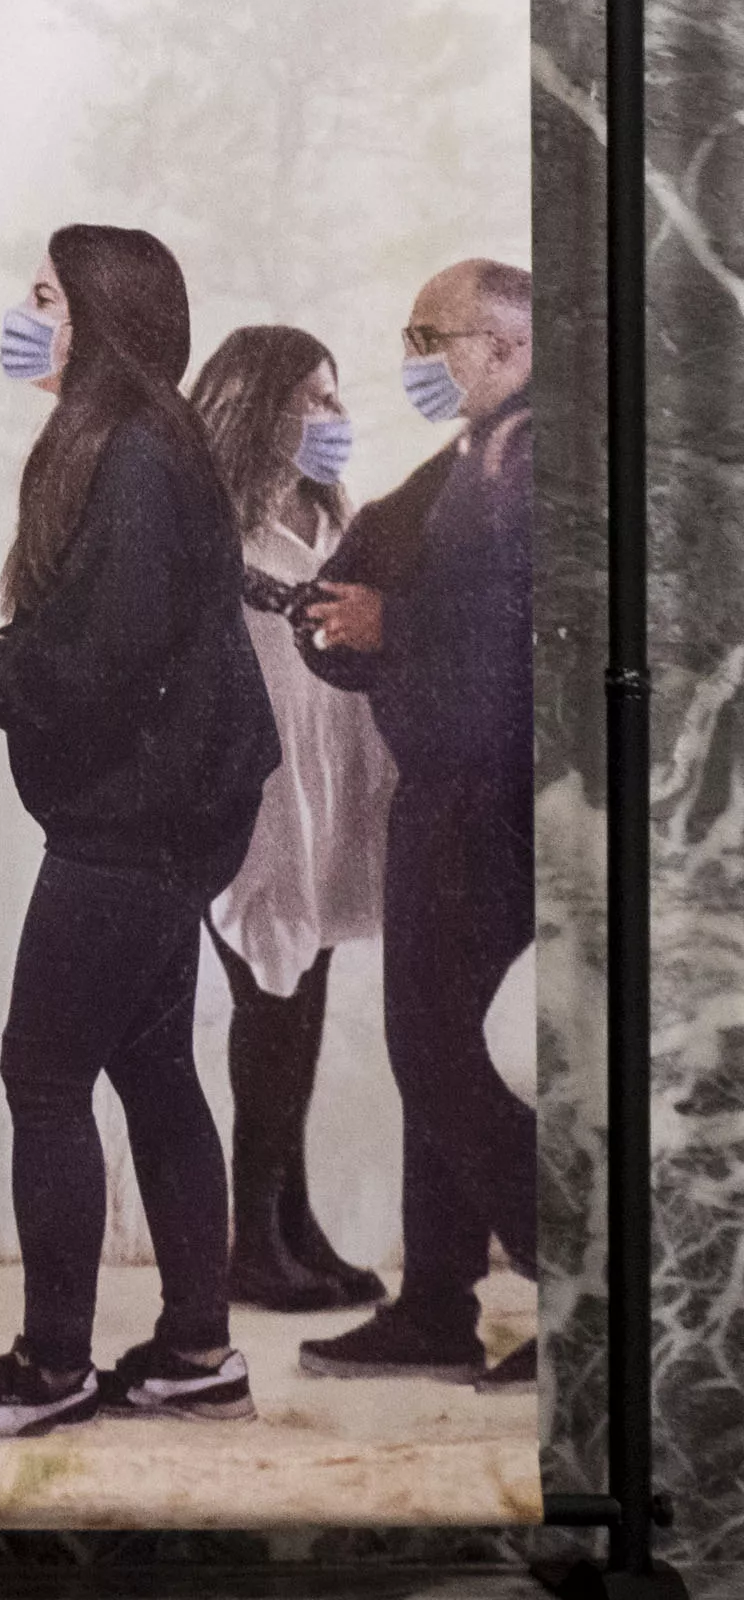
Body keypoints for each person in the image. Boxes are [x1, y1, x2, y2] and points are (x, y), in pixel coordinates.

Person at [0, 228, 280, 1441]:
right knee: (155, 1071)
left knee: (44, 1073)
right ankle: (195, 1355)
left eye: (46, 296)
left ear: (101, 317)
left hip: (139, 826)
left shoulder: (134, 457)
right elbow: (115, 638)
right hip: (173, 814)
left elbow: (110, 663)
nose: (25, 313)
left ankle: (50, 1370)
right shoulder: (137, 445)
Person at [290, 260, 539, 1388]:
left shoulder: (534, 457)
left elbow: (520, 635)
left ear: (503, 346)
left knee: (437, 1047)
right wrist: (347, 622)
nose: (412, 358)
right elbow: (377, 576)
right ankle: (438, 1304)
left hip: (491, 804)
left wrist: (392, 622)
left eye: (429, 335)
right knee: (428, 1042)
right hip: (449, 797)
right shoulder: (470, 457)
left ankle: (589, 1292)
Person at [187, 325, 395, 1313]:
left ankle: (288, 1222)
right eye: (314, 400)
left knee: (300, 1002)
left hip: (327, 791)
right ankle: (253, 1242)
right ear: (258, 410)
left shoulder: (329, 528)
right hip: (256, 799)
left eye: (337, 397)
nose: (334, 420)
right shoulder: (211, 532)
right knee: (269, 999)